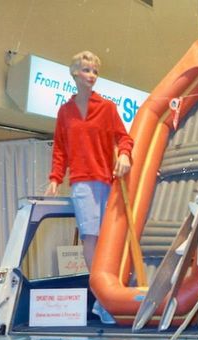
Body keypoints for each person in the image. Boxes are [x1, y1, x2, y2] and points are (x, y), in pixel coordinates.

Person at [45, 50, 134, 324]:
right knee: (91, 238)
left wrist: (124, 154)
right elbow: (60, 149)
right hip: (83, 182)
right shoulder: (65, 112)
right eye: (86, 70)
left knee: (112, 237)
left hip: (107, 180)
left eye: (95, 71)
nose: (91, 75)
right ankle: (102, 298)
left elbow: (124, 137)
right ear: (74, 73)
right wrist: (55, 178)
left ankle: (115, 293)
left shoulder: (107, 108)